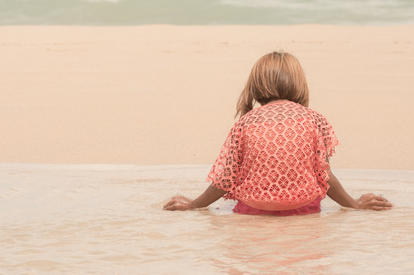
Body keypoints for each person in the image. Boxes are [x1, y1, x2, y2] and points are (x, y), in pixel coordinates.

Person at [163, 51, 392, 214]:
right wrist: (353, 204)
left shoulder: (245, 123)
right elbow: (324, 175)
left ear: (255, 85)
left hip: (253, 209)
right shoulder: (313, 118)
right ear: (299, 84)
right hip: (304, 208)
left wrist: (194, 205)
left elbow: (226, 179)